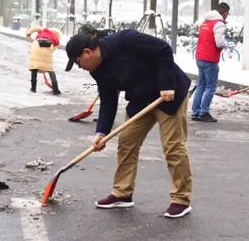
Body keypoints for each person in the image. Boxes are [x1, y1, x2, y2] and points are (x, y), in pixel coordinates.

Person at [65, 30, 193, 218]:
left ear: (87, 52)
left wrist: (166, 84)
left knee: (173, 147)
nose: (80, 67)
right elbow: (108, 99)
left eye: (78, 63)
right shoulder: (97, 70)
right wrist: (101, 132)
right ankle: (122, 194)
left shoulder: (124, 40)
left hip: (168, 96)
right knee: (126, 142)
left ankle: (181, 199)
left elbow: (163, 49)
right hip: (141, 100)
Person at [191, 2, 230, 122]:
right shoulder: (219, 24)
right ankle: (204, 112)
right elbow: (219, 43)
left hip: (200, 57)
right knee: (210, 87)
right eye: (227, 14)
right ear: (224, 13)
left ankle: (195, 112)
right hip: (210, 59)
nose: (227, 16)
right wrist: (227, 44)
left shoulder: (206, 22)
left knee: (201, 86)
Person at [26, 25, 61, 95]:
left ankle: (33, 88)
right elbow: (54, 48)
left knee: (34, 67)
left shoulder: (43, 30)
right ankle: (56, 89)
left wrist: (28, 33)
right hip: (48, 47)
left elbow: (35, 27)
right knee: (50, 69)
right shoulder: (55, 38)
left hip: (36, 45)